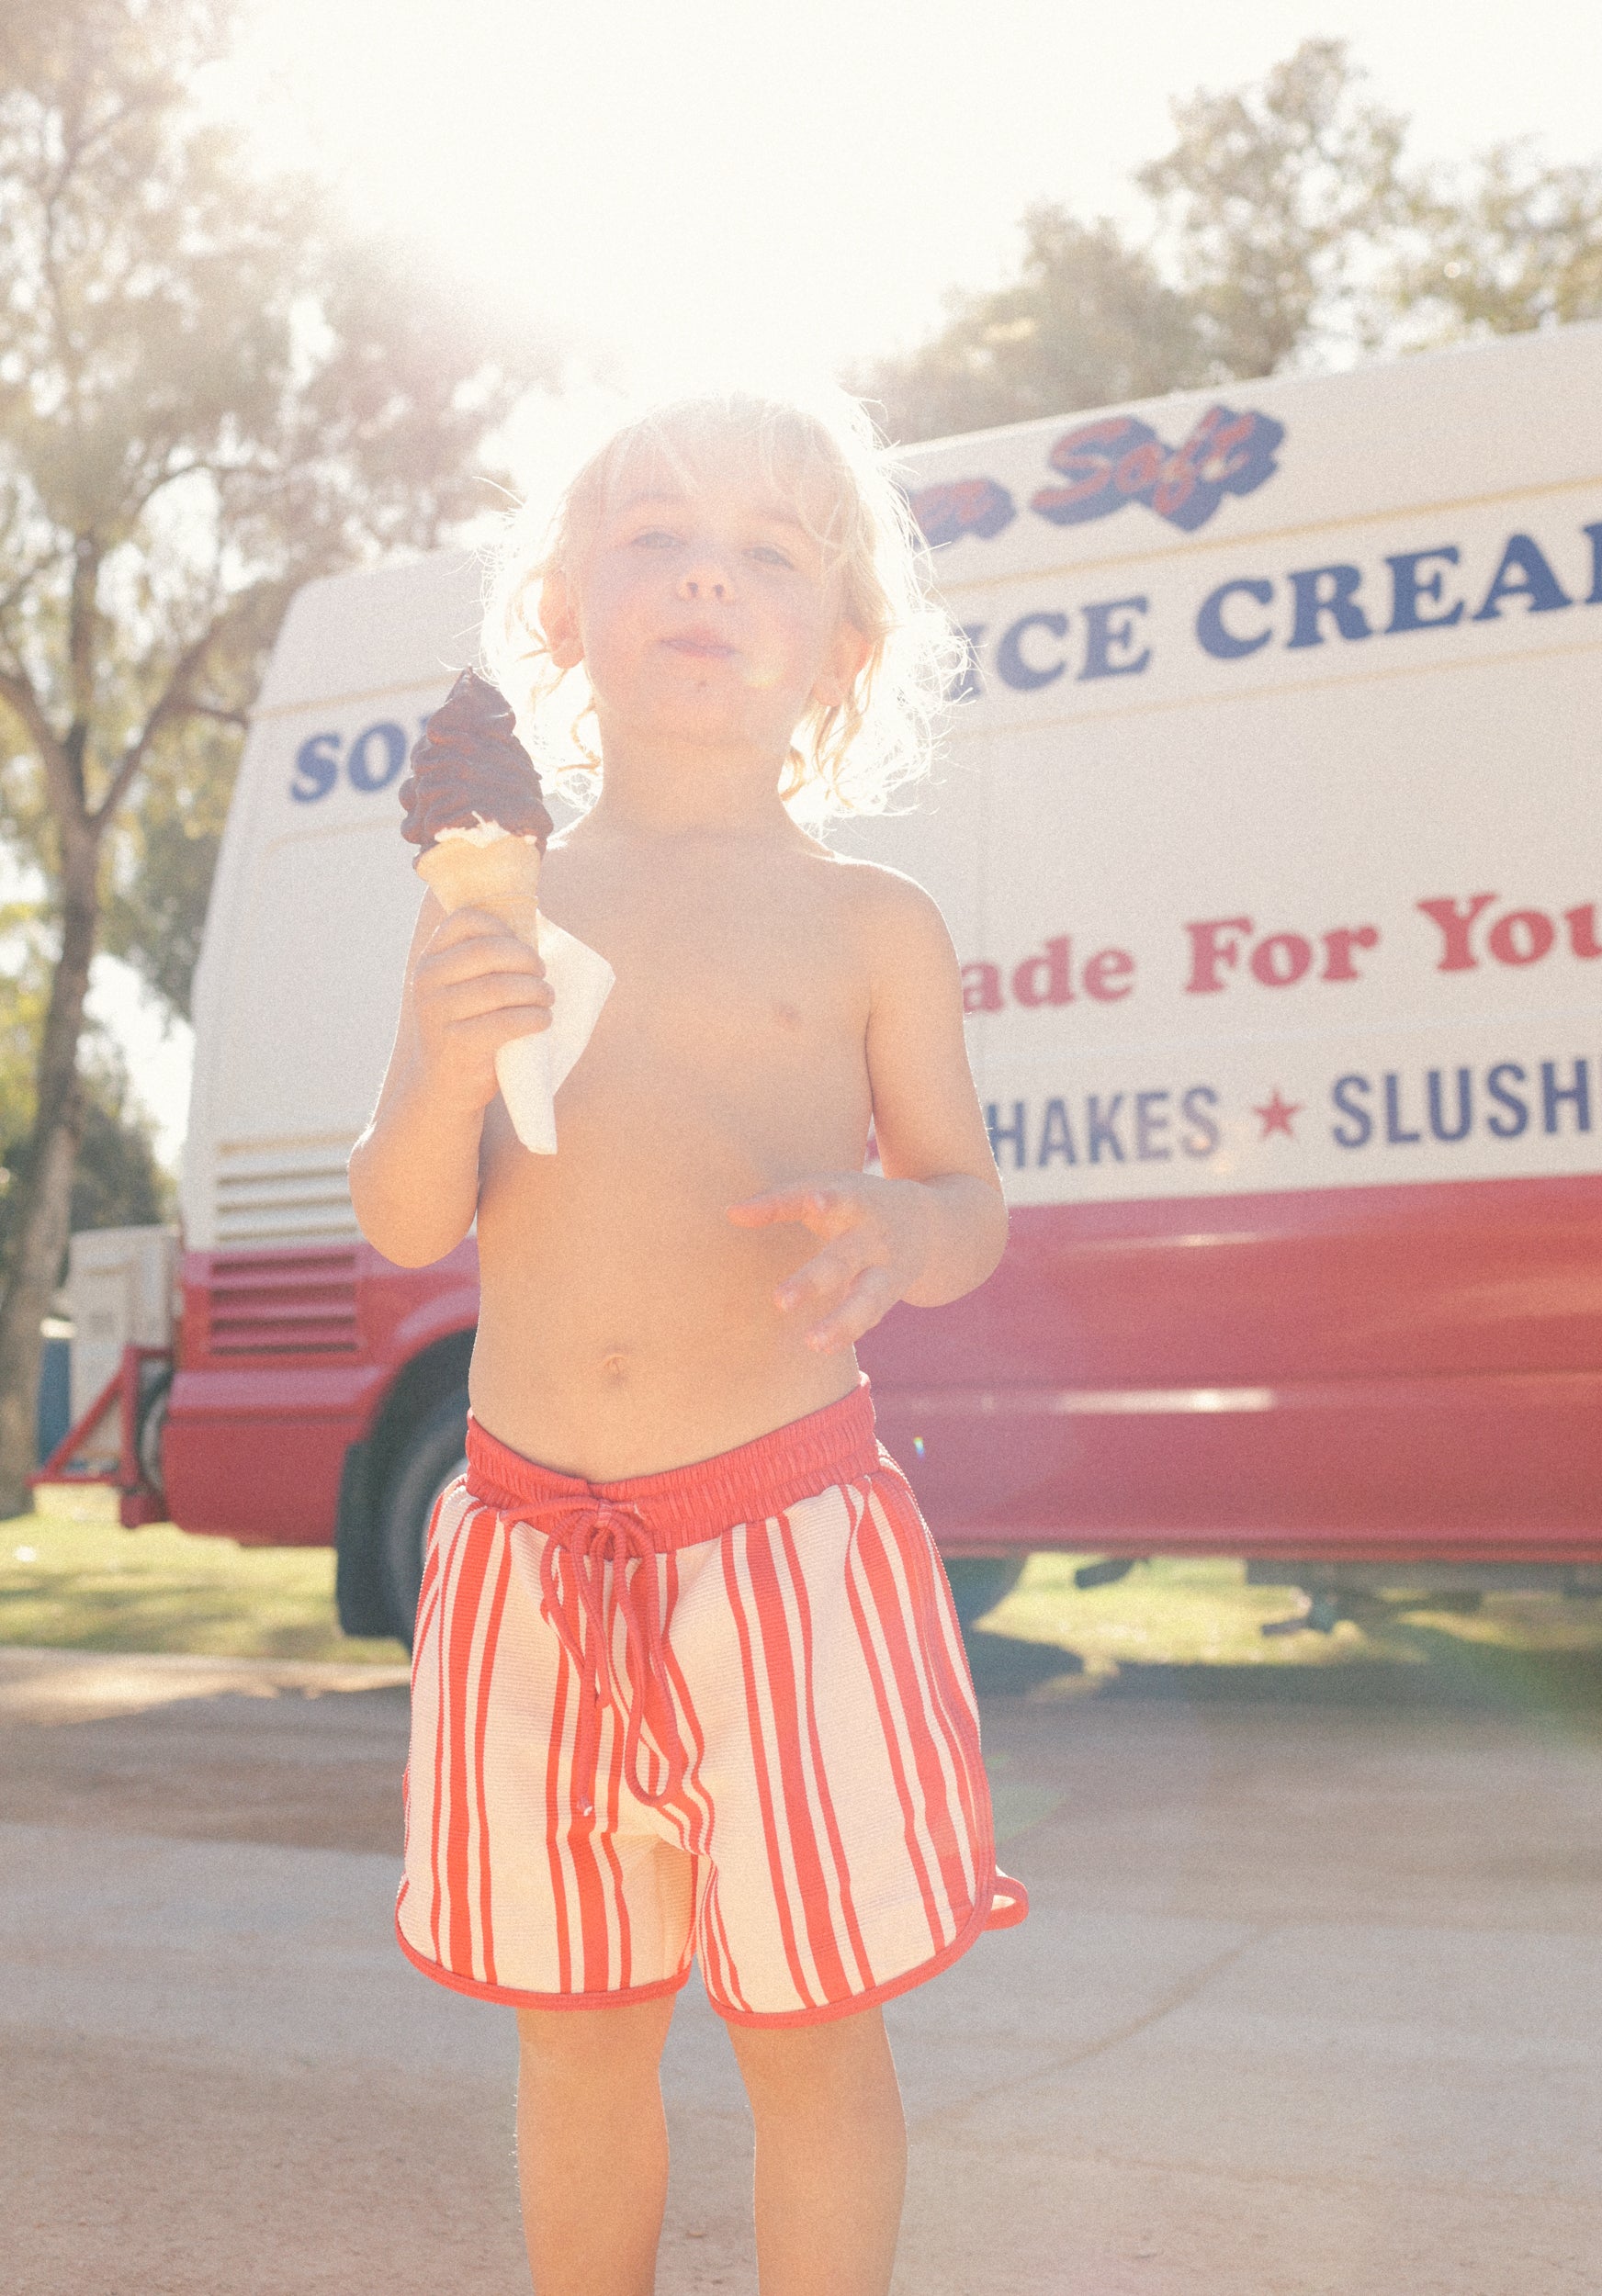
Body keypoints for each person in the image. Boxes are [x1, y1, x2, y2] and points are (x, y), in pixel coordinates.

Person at [348, 388, 1025, 2296]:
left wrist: (904, 1226)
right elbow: (411, 1208)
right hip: (523, 1550)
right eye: (652, 532)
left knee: (808, 2029)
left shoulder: (870, 921)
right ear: (565, 608)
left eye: (770, 546)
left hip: (786, 1549)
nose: (706, 567)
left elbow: (970, 1203)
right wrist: (442, 1047)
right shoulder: (505, 904)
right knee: (576, 2033)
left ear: (842, 646)